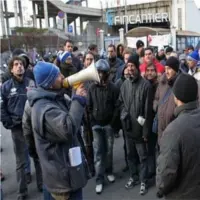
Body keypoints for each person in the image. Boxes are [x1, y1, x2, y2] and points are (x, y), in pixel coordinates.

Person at [26, 61, 89, 200]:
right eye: (57, 75)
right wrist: (78, 100)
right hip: (62, 181)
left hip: (65, 173)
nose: (62, 77)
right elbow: (68, 129)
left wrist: (75, 96)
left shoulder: (53, 98)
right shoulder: (45, 109)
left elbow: (70, 117)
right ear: (49, 83)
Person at [0, 56, 42, 200]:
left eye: (21, 64)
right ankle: (22, 192)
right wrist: (9, 124)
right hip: (17, 129)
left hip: (32, 126)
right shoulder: (5, 87)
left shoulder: (31, 83)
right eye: (16, 65)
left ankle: (42, 185)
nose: (19, 67)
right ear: (11, 69)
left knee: (37, 156)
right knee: (21, 162)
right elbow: (2, 108)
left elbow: (38, 101)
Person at [156, 73, 200, 200]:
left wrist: (160, 188)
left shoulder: (173, 130)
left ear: (176, 97)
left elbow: (166, 173)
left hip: (183, 194)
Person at [119, 55, 153, 195]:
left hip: (140, 130)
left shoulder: (146, 85)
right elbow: (120, 103)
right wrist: (123, 114)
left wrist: (145, 132)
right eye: (128, 66)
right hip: (128, 129)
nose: (130, 68)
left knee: (142, 157)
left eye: (132, 66)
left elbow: (147, 112)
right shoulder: (124, 85)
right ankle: (134, 177)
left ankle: (144, 180)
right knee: (130, 156)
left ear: (137, 67)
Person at [88, 59, 119, 194]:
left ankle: (109, 171)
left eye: (102, 72)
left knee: (109, 150)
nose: (100, 75)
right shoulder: (92, 88)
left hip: (108, 125)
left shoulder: (113, 87)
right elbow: (88, 107)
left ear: (106, 73)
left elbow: (117, 106)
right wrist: (92, 122)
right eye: (98, 72)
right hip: (96, 126)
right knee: (98, 153)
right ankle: (99, 179)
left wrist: (112, 123)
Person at [153, 57, 180, 146]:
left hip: (174, 127)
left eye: (169, 69)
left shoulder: (181, 83)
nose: (166, 72)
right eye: (165, 69)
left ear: (175, 69)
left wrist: (173, 112)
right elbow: (156, 98)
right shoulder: (162, 82)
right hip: (161, 127)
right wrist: (157, 107)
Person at [144, 64, 158, 178]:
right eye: (147, 70)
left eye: (152, 70)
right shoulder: (143, 85)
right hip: (148, 120)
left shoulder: (160, 85)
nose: (149, 72)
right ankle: (151, 170)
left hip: (158, 119)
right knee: (150, 148)